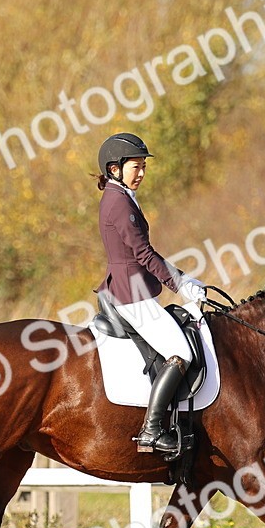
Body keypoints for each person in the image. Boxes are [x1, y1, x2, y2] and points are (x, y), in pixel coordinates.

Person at [93, 133, 207, 453]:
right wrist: (181, 283)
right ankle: (152, 430)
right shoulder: (117, 201)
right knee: (181, 353)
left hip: (132, 288)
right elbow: (143, 254)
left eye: (144, 166)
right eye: (135, 167)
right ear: (115, 168)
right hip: (134, 295)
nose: (141, 173)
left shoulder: (121, 195)